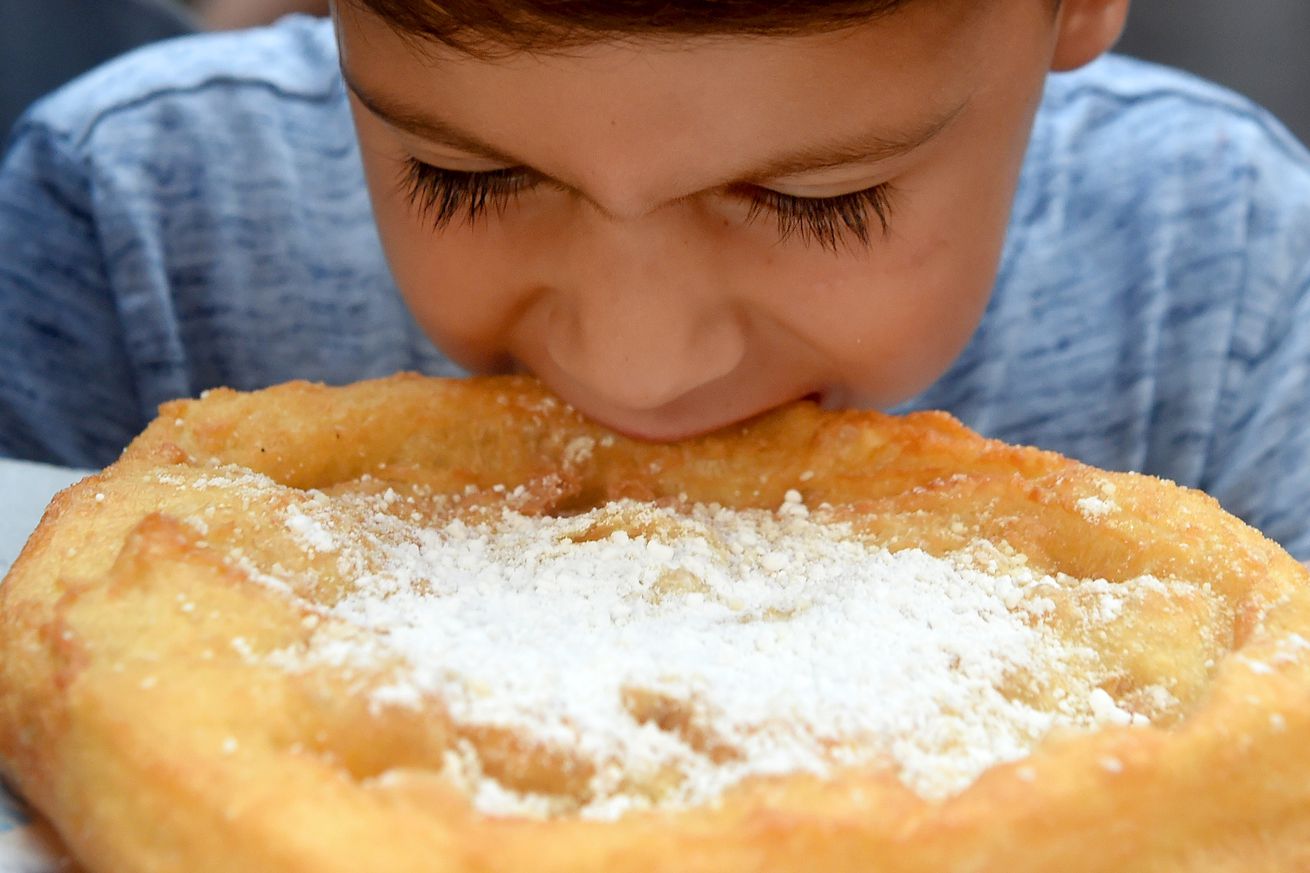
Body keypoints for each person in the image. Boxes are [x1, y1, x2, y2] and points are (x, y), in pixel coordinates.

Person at [1, 0, 1308, 560]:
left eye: (818, 202)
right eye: (467, 177)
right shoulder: (133, 230)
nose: (636, 362)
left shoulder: (1225, 278)